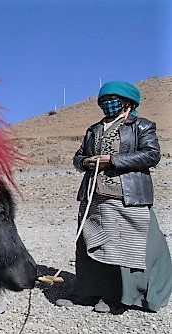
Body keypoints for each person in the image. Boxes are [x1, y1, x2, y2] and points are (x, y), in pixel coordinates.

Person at [71, 81, 172, 314]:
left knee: (126, 247)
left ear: (127, 101)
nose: (108, 103)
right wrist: (86, 162)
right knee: (91, 241)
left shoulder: (142, 126)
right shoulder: (94, 129)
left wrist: (112, 160)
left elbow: (151, 155)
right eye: (104, 100)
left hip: (126, 195)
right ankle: (89, 291)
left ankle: (123, 297)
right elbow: (78, 157)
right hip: (93, 195)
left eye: (113, 99)